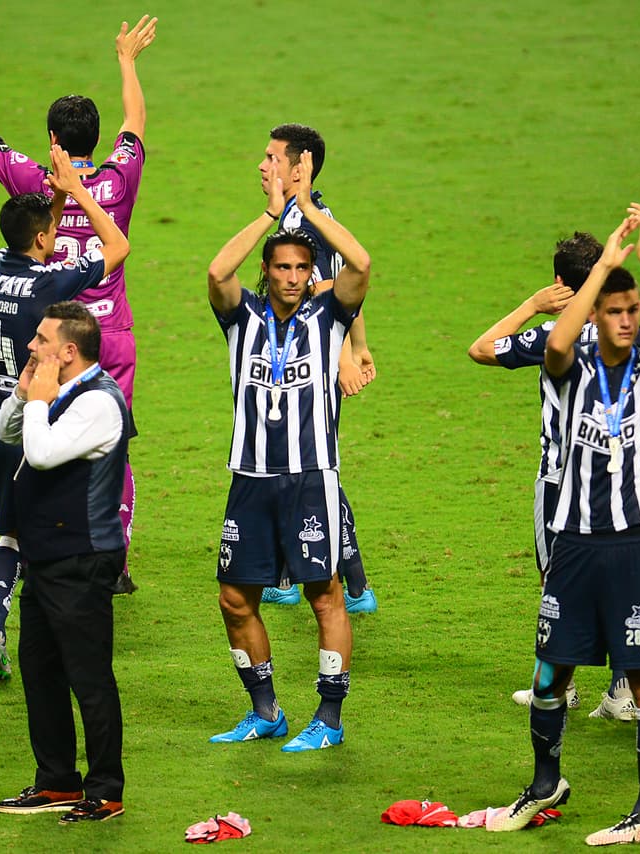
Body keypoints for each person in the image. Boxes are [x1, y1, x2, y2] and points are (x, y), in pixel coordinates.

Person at [486, 205, 640, 846]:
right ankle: (545, 782)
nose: (627, 321)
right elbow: (551, 342)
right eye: (614, 310)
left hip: (636, 543)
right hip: (574, 540)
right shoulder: (571, 367)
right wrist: (605, 264)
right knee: (550, 671)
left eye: (633, 311)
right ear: (594, 313)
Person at [0, 12, 156, 594]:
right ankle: (114, 552)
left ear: (53, 140)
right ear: (94, 141)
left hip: (55, 338)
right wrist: (127, 61)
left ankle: (28, 540)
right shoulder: (118, 179)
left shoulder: (31, 183)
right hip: (112, 336)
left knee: (42, 435)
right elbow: (138, 121)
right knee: (110, 442)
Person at [206, 151, 370, 752]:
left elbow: (360, 263)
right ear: (268, 271)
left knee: (323, 593)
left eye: (303, 267)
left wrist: (306, 212)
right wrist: (269, 214)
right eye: (283, 267)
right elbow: (218, 271)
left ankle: (328, 717)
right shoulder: (240, 318)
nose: (294, 276)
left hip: (309, 478)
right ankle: (265, 710)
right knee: (233, 597)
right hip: (249, 477)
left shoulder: (329, 316)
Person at [468, 232, 640, 720]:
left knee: (557, 583)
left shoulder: (554, 338)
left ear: (560, 283)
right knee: (619, 581)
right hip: (619, 479)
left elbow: (481, 348)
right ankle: (624, 688)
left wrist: (533, 305)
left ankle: (559, 687)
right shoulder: (631, 335)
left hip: (561, 480)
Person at [0, 148, 131, 682]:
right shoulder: (49, 286)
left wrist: (52, 201)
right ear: (44, 238)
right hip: (35, 416)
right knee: (40, 533)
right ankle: (30, 630)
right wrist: (79, 194)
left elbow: (34, 243)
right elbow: (118, 246)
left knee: (7, 531)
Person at [0, 302, 131, 823]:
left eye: (41, 341)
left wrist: (39, 401)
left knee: (88, 676)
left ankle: (106, 790)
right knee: (41, 670)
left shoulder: (99, 402)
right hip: (48, 557)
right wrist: (25, 391)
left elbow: (44, 452)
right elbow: (10, 435)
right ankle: (56, 782)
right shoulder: (63, 393)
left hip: (82, 558)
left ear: (69, 352)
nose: (30, 345)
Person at [255, 123, 378, 614]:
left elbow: (332, 288)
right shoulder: (302, 214)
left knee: (313, 470)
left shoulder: (304, 223)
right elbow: (344, 280)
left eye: (271, 158)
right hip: (298, 361)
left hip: (311, 366)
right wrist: (362, 345)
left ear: (298, 166)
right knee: (301, 466)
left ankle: (353, 587)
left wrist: (346, 357)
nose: (263, 166)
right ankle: (292, 576)